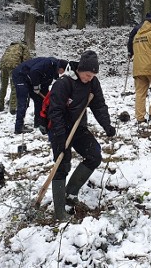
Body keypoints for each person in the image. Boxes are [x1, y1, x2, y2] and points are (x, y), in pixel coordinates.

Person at [46, 51, 116, 220]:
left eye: (93, 76)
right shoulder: (63, 83)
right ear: (80, 70)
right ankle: (59, 212)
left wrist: (107, 126)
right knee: (62, 164)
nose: (89, 78)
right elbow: (54, 112)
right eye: (87, 75)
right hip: (58, 127)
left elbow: (99, 106)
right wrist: (61, 138)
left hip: (78, 127)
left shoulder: (93, 83)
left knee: (94, 155)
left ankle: (71, 193)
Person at [12, 57, 68, 135]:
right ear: (60, 67)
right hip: (21, 75)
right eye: (63, 71)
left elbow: (50, 81)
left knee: (41, 101)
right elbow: (34, 71)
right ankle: (18, 127)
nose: (62, 73)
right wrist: (36, 86)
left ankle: (38, 123)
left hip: (32, 78)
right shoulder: (48, 64)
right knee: (23, 101)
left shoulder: (54, 69)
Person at [0, 41, 32, 114]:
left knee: (3, 86)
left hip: (3, 65)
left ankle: (0, 105)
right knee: (14, 87)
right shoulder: (24, 47)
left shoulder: (11, 46)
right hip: (14, 66)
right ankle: (13, 108)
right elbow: (27, 60)